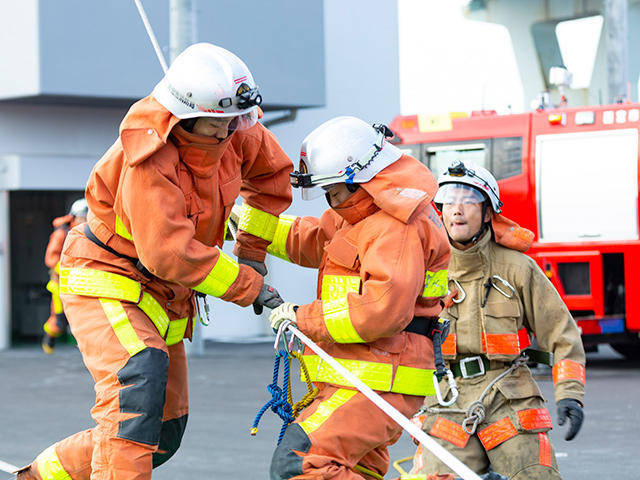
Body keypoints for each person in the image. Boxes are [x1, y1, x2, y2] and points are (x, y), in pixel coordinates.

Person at [16, 42, 291, 480]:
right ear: (183, 116)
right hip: (107, 276)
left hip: (164, 291)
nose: (230, 133)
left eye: (236, 121)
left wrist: (252, 255)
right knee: (135, 388)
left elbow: (272, 182)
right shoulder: (146, 157)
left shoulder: (239, 130)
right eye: (216, 123)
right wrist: (248, 285)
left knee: (161, 431)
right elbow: (170, 251)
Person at [260, 116, 451, 480]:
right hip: (365, 377)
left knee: (301, 462)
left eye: (333, 191)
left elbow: (382, 309)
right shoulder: (363, 216)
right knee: (351, 471)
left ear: (360, 178)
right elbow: (315, 238)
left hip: (380, 379)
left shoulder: (396, 225)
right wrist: (246, 223)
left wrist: (302, 318)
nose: (330, 202)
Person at [409, 160, 586, 480]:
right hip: (446, 400)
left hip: (510, 399)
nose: (457, 209)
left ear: (488, 212)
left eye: (468, 200)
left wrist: (570, 393)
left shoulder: (518, 268)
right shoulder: (423, 267)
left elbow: (562, 334)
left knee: (535, 475)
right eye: (448, 201)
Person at [41, 198, 88, 354]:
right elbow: (51, 258)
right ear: (74, 217)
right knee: (60, 318)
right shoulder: (62, 232)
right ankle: (49, 339)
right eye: (82, 216)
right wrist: (67, 267)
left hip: (81, 280)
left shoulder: (89, 231)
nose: (85, 219)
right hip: (61, 282)